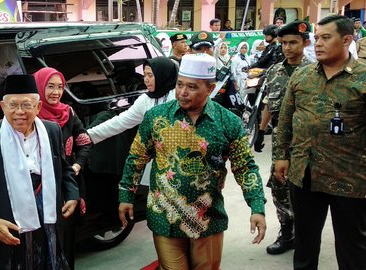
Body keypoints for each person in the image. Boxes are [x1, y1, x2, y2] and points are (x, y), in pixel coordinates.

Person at [118, 53, 266, 270]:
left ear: (210, 88)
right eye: (179, 85)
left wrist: (257, 207)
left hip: (207, 218)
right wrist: (126, 195)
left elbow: (245, 167)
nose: (182, 93)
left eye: (192, 87)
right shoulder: (156, 117)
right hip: (164, 215)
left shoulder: (228, 123)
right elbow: (136, 158)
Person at [274, 15, 366, 269]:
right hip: (304, 174)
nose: (318, 44)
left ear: (347, 40)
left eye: (326, 37)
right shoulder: (302, 76)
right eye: (317, 38)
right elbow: (285, 119)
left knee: (353, 247)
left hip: (350, 177)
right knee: (305, 245)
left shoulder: (362, 78)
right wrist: (281, 155)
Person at [0, 74, 79, 269]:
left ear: (38, 107)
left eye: (26, 105)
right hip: (9, 219)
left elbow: (64, 169)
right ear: (2, 107)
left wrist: (72, 194)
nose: (19, 112)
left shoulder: (51, 131)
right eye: (13, 105)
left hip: (49, 217)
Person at [260, 21, 315, 255]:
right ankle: (287, 232)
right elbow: (268, 104)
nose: (287, 48)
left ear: (306, 42)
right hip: (282, 144)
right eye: (284, 43)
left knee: (306, 189)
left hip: (309, 144)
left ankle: (306, 235)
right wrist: (260, 131)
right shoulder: (275, 71)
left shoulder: (315, 71)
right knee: (280, 187)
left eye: (293, 42)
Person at [34, 67, 92, 269]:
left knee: (66, 239)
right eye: (50, 87)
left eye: (60, 87)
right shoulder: (30, 115)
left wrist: (77, 165)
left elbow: (84, 141)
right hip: (39, 188)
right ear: (39, 87)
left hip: (66, 186)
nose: (56, 92)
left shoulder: (68, 112)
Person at [87, 57, 178, 144]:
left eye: (150, 75)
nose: (145, 80)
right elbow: (121, 122)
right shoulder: (145, 100)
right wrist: (88, 135)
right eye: (144, 75)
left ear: (162, 75)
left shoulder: (180, 98)